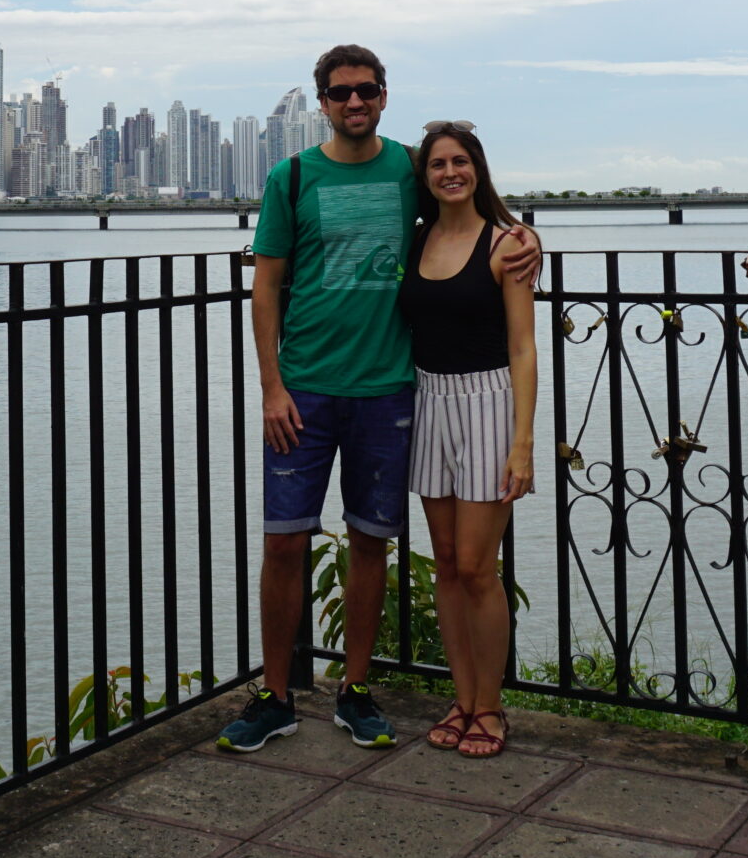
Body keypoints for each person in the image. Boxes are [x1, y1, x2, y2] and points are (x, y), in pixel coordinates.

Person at [218, 45, 539, 753]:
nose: (354, 102)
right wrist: (271, 385)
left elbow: (470, 211)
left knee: (372, 542)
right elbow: (265, 287)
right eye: (340, 92)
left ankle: (355, 689)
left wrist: (527, 235)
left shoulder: (407, 168)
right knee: (284, 541)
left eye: (366, 90)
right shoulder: (291, 176)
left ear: (384, 95)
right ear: (322, 102)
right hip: (302, 390)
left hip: (389, 387)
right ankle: (274, 694)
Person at [401, 121, 537, 758]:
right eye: (436, 164)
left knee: (481, 569)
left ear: (477, 169)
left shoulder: (507, 243)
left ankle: (490, 707)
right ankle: (460, 698)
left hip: (488, 404)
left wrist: (523, 442)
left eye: (459, 161)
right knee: (448, 567)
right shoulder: (419, 239)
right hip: (431, 404)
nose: (448, 172)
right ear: (424, 177)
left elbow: (523, 346)